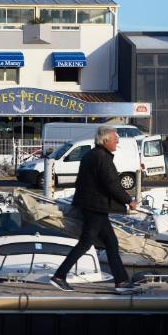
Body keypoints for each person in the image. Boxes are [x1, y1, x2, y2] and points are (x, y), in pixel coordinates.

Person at [50, 126, 137, 293]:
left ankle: (121, 281)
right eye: (115, 139)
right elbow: (112, 184)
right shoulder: (103, 158)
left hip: (92, 205)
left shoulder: (91, 155)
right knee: (86, 243)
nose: (117, 141)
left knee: (111, 242)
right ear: (105, 141)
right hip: (95, 207)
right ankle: (59, 276)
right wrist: (129, 201)